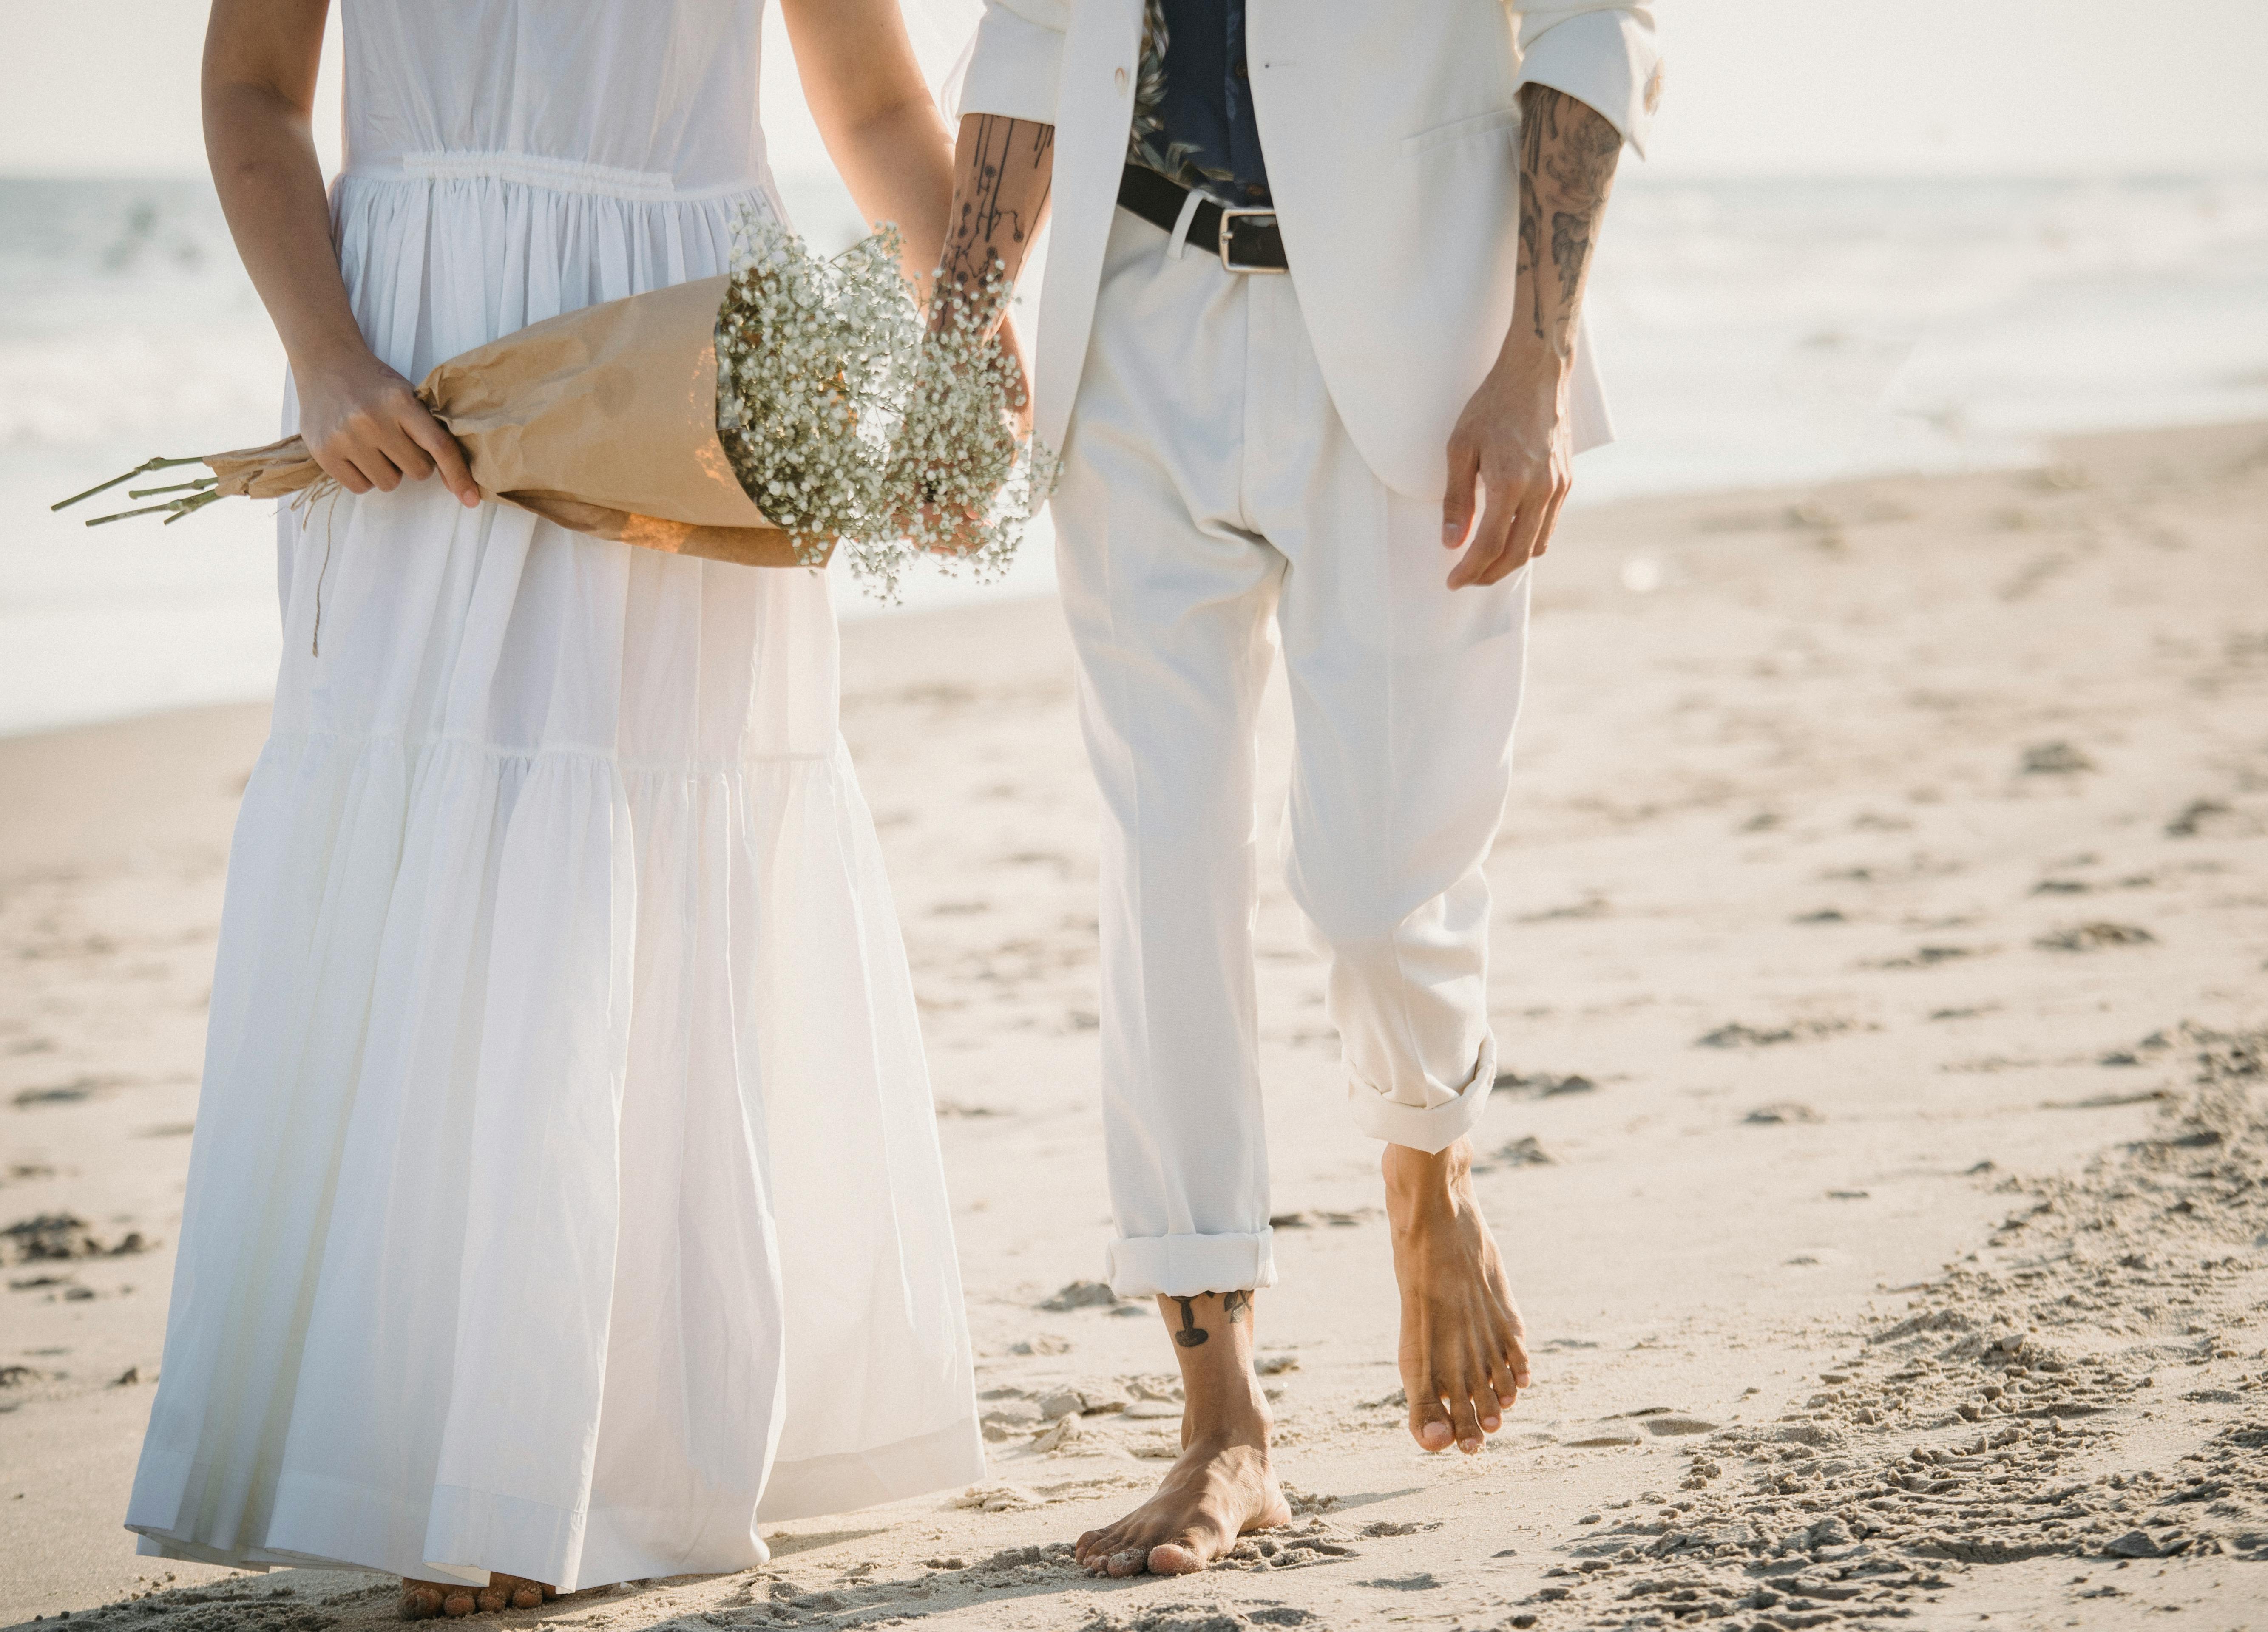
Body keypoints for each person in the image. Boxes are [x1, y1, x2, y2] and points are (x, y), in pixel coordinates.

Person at [125, 0, 989, 1615]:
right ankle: (457, 1455)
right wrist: (322, 352)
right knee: (447, 854)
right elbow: (253, 83)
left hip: (698, 348)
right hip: (411, 350)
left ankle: (586, 1462)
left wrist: (967, 336)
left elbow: (872, 99)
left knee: (655, 848)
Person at [933, 0, 1661, 1577]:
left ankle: (1428, 1170)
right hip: (1129, 322)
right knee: (1165, 861)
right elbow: (1029, 35)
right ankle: (1219, 1415)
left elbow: (1596, 32)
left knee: (1381, 885)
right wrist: (956, 330)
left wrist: (1536, 360)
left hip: (1421, 340)